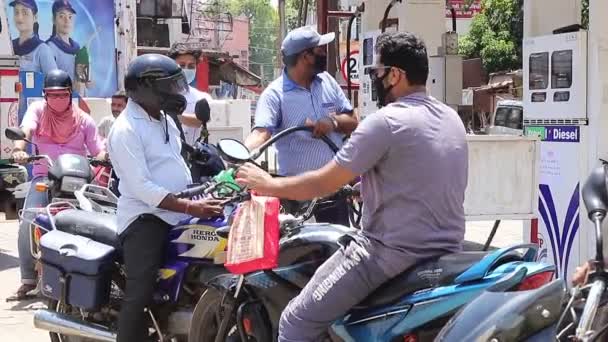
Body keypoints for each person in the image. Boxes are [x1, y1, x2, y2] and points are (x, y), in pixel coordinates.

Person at [236, 32, 468, 341]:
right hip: (446, 248)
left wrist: (266, 184)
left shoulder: (385, 121)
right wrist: (366, 186)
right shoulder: (451, 118)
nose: (375, 79)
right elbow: (419, 173)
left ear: (395, 75)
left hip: (387, 253)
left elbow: (322, 182)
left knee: (295, 321)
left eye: (377, 72)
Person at [107, 54, 223, 342]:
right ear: (146, 88)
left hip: (176, 210)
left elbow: (176, 160)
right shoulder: (125, 129)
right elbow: (142, 187)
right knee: (141, 290)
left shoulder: (163, 119)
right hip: (145, 218)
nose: (175, 93)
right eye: (169, 87)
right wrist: (189, 205)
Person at [244, 26, 358, 226]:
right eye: (321, 50)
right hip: (299, 196)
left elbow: (353, 121)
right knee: (304, 253)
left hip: (334, 191)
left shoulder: (327, 82)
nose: (325, 54)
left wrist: (333, 122)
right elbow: (261, 133)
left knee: (339, 248)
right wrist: (241, 156)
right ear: (306, 56)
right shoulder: (274, 95)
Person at [9, 69, 106, 300]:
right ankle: (28, 280)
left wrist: (105, 156)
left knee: (95, 225)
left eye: (62, 94)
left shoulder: (84, 120)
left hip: (78, 182)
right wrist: (18, 150)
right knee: (29, 222)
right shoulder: (37, 111)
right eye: (53, 95)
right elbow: (25, 130)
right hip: (46, 178)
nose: (58, 99)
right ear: (45, 96)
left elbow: (97, 149)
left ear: (70, 94)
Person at [9, 0, 58, 114]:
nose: (20, 17)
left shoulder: (42, 49)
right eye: (16, 12)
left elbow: (55, 86)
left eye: (25, 13)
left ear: (35, 17)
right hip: (8, 114)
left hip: (32, 119)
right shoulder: (9, 48)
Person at [167, 42, 214, 146]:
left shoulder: (202, 98)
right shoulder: (160, 95)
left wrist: (174, 115)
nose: (186, 70)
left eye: (191, 66)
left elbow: (204, 120)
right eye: (182, 65)